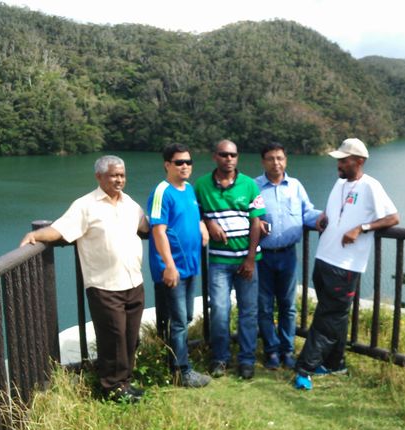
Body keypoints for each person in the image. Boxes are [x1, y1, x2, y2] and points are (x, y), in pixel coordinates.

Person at [20, 155, 149, 403]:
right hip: (104, 285)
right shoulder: (85, 206)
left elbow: (145, 226)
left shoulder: (130, 204)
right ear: (99, 177)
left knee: (130, 337)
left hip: (134, 282)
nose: (119, 180)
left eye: (122, 175)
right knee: (113, 339)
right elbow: (60, 229)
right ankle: (112, 388)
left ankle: (125, 382)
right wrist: (37, 235)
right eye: (113, 175)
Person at [294, 138, 399, 390]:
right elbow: (336, 212)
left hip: (346, 264)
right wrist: (323, 216)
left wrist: (361, 228)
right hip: (324, 259)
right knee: (334, 315)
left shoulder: (371, 186)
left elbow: (393, 218)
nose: (339, 164)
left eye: (344, 160)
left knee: (328, 316)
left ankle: (305, 368)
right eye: (339, 160)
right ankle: (335, 363)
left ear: (359, 161)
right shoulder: (339, 183)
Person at [194, 139, 266, 380]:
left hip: (246, 260)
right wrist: (208, 222)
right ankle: (220, 358)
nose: (229, 159)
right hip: (219, 262)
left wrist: (250, 259)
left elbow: (256, 222)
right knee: (219, 310)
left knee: (248, 311)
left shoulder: (250, 185)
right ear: (215, 156)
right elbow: (195, 212)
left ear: (237, 157)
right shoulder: (202, 185)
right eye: (224, 154)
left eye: (233, 155)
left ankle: (247, 360)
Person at [147, 143, 212, 388]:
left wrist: (202, 226)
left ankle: (175, 363)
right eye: (179, 162)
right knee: (178, 320)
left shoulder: (189, 189)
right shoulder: (162, 192)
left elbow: (192, 217)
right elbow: (158, 230)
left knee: (185, 317)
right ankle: (181, 371)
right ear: (167, 165)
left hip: (190, 266)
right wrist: (169, 265)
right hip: (172, 269)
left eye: (188, 162)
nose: (184, 166)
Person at [254, 142, 321, 370]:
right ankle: (271, 351)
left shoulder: (295, 186)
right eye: (271, 158)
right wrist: (255, 223)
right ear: (263, 161)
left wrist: (328, 217)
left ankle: (287, 350)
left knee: (287, 305)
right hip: (262, 256)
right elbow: (246, 215)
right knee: (264, 306)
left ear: (286, 160)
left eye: (280, 158)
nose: (276, 163)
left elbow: (307, 213)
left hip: (288, 254)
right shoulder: (254, 186)